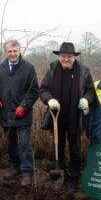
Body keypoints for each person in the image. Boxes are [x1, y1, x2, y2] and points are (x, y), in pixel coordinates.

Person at [39, 42, 95, 192]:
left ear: (74, 57)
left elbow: (91, 91)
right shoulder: (52, 70)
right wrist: (49, 99)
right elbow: (43, 89)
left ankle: (74, 177)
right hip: (56, 116)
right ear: (59, 56)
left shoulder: (84, 71)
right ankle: (61, 172)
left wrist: (86, 99)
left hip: (75, 117)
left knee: (75, 149)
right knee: (59, 146)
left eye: (69, 56)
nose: (66, 59)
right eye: (63, 56)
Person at [0, 40, 39, 186]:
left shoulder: (28, 68)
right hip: (5, 113)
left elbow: (34, 91)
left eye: (15, 51)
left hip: (23, 114)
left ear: (19, 51)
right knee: (11, 143)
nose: (12, 54)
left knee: (24, 144)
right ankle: (15, 168)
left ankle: (26, 172)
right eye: (9, 51)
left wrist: (24, 106)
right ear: (6, 52)